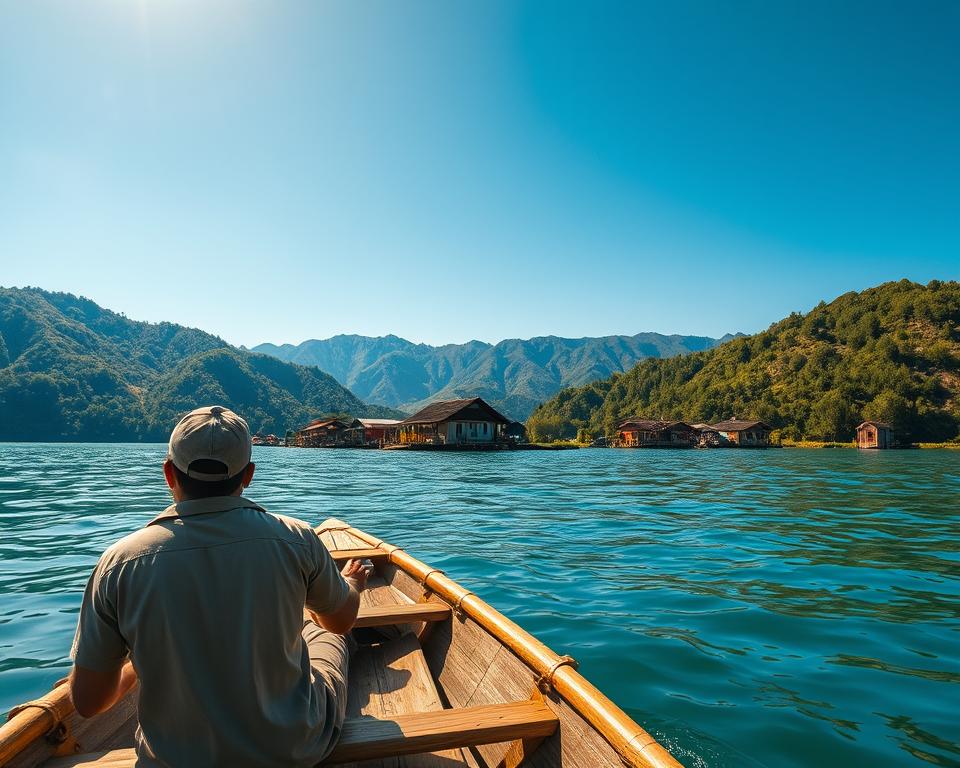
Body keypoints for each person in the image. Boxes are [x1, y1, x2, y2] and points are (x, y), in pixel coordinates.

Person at [69, 405, 368, 767]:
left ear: (168, 474)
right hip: (291, 751)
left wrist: (133, 665)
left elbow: (88, 703)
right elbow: (340, 621)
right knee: (325, 637)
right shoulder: (296, 539)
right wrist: (350, 583)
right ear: (249, 475)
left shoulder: (120, 563)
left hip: (174, 761)